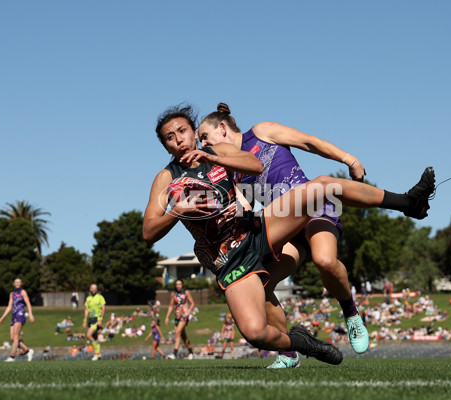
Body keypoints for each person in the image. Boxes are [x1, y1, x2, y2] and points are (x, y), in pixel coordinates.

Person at [143, 104, 435, 366]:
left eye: (182, 131)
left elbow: (254, 165)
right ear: (166, 146)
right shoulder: (167, 179)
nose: (178, 139)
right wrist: (176, 211)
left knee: (322, 191)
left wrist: (210, 156)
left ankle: (409, 203)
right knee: (255, 332)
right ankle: (298, 346)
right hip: (230, 258)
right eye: (170, 137)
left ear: (195, 133)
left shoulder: (220, 152)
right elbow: (148, 232)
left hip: (260, 231)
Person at [197, 103, 392, 366]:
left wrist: (349, 159)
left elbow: (309, 142)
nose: (202, 143)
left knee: (324, 261)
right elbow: (244, 205)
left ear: (222, 128)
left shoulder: (262, 131)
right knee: (261, 282)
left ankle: (351, 313)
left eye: (204, 137)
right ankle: (288, 354)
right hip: (287, 227)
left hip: (315, 206)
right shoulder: (229, 169)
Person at [0, 278, 35, 362]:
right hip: (14, 316)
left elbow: (28, 304)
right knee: (12, 338)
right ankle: (28, 351)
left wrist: (31, 314)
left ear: (21, 284)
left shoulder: (23, 292)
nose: (17, 283)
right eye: (16, 282)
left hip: (20, 315)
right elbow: (9, 306)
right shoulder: (12, 294)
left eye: (19, 282)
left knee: (15, 337)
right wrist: (3, 317)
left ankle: (12, 357)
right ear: (13, 284)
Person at [165, 279, 195, 359]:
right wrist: (167, 317)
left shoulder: (186, 292)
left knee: (177, 332)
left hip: (184, 316)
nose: (178, 286)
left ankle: (174, 354)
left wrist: (188, 312)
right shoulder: (173, 294)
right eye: (177, 284)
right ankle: (191, 352)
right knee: (183, 336)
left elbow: (192, 303)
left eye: (180, 284)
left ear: (182, 285)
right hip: (177, 317)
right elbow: (171, 306)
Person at [83, 283, 106, 361]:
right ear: (90, 289)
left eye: (95, 288)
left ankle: (96, 353)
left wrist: (101, 319)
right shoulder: (88, 298)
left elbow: (103, 308)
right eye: (92, 288)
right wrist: (84, 321)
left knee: (88, 335)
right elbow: (86, 310)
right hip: (90, 319)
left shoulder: (100, 297)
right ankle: (99, 354)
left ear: (97, 289)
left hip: (96, 319)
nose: (93, 289)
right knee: (95, 338)